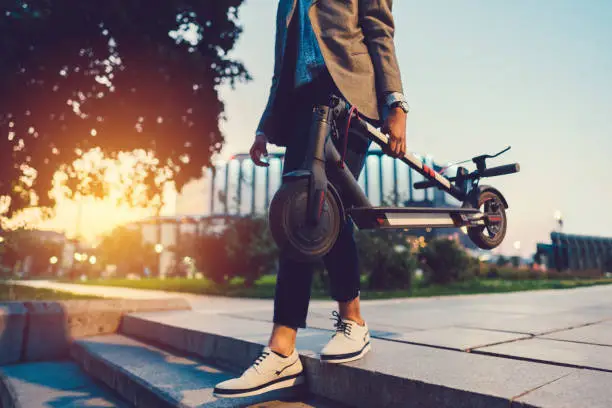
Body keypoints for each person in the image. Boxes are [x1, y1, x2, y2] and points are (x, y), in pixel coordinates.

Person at [214, 0, 408, 398]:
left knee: (325, 213)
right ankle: (284, 348)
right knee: (295, 219)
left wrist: (395, 101)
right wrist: (266, 126)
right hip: (303, 106)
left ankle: (350, 322)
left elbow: (378, 29)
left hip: (348, 98)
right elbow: (281, 67)